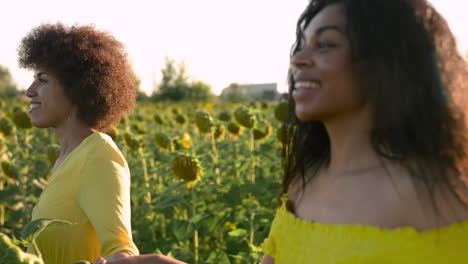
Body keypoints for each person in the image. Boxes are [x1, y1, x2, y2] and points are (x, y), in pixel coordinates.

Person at [261, 0, 468, 263]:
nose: (298, 59)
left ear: (385, 62)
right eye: (301, 45)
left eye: (326, 44)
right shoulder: (303, 183)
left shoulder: (436, 193)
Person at [19, 23, 140, 264]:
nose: (29, 91)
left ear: (77, 88)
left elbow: (120, 248)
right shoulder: (68, 158)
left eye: (42, 80)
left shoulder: (99, 155)